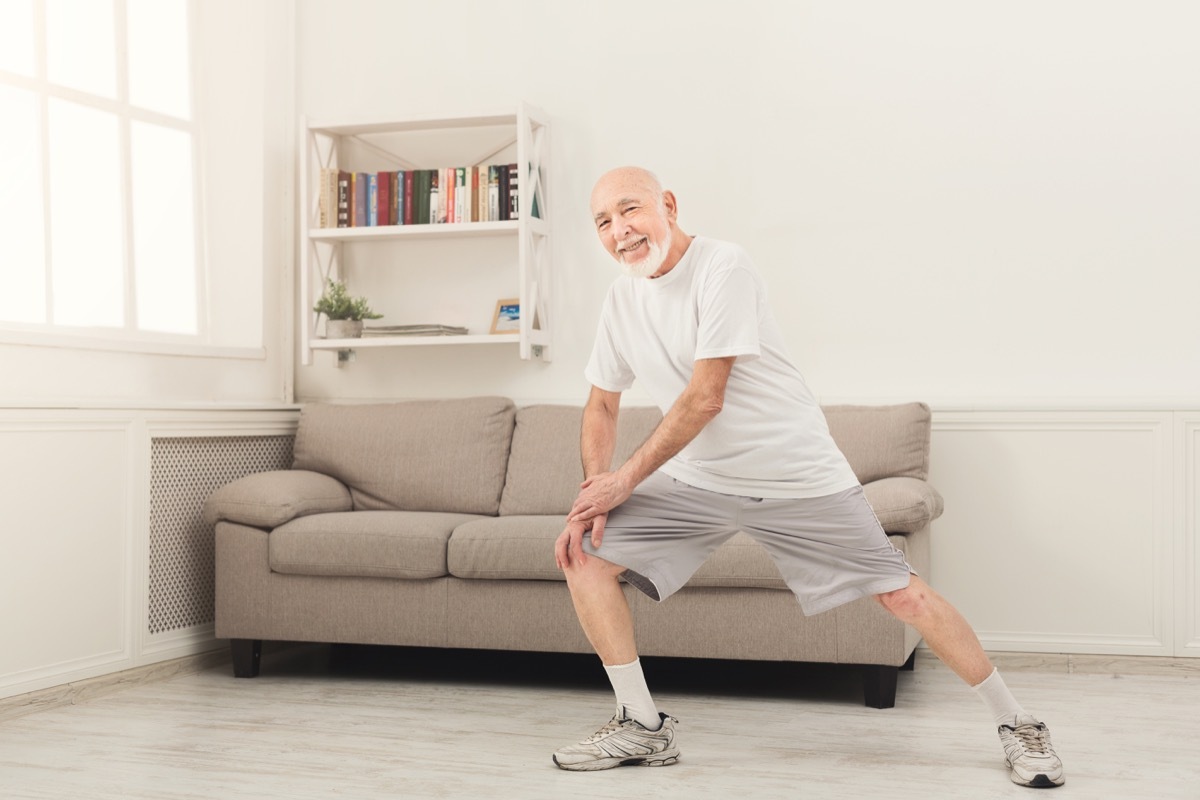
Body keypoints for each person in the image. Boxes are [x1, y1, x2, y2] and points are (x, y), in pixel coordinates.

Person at [550, 166, 1064, 788]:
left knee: (902, 594)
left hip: (796, 477)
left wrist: (623, 481)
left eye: (628, 210)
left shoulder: (723, 266)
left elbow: (705, 398)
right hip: (699, 481)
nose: (619, 230)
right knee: (583, 553)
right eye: (602, 222)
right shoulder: (621, 299)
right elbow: (602, 403)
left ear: (668, 206)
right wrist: (591, 494)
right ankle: (641, 724)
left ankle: (1019, 723)